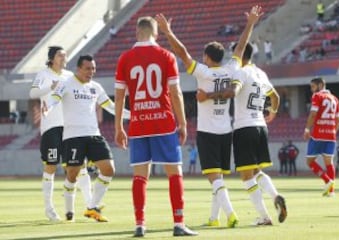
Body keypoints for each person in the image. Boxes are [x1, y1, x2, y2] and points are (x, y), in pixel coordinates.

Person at [155, 5, 263, 228]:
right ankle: (214, 218)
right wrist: (250, 23)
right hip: (226, 130)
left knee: (213, 178)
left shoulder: (203, 72)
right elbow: (241, 47)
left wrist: (167, 32)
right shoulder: (232, 68)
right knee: (219, 177)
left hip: (208, 132)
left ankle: (231, 214)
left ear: (206, 57)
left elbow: (182, 53)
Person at [114, 16, 197, 237]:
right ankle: (179, 223)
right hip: (163, 123)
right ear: (156, 34)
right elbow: (175, 93)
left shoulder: (125, 58)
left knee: (140, 175)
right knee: (174, 173)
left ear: (136, 33)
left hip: (138, 124)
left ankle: (140, 224)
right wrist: (183, 122)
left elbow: (120, 98)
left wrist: (118, 128)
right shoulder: (166, 56)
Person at [197, 43, 287, 226]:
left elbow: (232, 92)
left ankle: (264, 217)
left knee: (246, 177)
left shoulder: (241, 72)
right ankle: (275, 196)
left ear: (241, 56)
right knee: (256, 171)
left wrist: (208, 96)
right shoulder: (261, 73)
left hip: (244, 128)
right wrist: (272, 112)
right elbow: (275, 96)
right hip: (261, 127)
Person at [44, 54, 129, 222]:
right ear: (79, 69)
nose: (91, 72)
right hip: (73, 136)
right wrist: (48, 107)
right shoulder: (66, 83)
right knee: (72, 175)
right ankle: (69, 212)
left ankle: (91, 207)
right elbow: (55, 98)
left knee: (109, 169)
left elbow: (111, 107)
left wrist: (132, 115)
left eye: (93, 69)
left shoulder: (96, 87)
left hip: (94, 134)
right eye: (88, 68)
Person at [30, 46, 92, 222]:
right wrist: (51, 86)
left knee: (79, 166)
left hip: (70, 128)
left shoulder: (69, 76)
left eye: (65, 54)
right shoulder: (43, 75)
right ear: (52, 58)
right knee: (50, 166)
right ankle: (50, 210)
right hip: (51, 128)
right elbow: (33, 92)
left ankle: (90, 206)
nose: (64, 57)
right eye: (60, 54)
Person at [303, 77, 339, 197]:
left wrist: (307, 129)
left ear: (320, 85)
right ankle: (331, 191)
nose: (312, 90)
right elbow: (338, 119)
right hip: (331, 135)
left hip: (318, 134)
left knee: (310, 161)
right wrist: (333, 131)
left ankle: (327, 180)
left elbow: (313, 114)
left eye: (313, 86)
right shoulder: (335, 99)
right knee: (329, 163)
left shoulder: (317, 96)